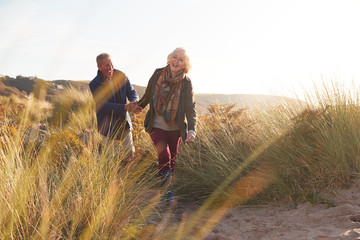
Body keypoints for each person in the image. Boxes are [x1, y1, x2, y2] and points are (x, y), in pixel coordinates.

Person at [138, 47, 196, 203]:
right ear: (170, 58)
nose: (176, 61)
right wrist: (138, 107)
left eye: (181, 60)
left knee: (172, 160)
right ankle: (167, 193)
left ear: (185, 65)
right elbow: (148, 95)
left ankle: (166, 186)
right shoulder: (158, 73)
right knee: (164, 154)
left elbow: (190, 108)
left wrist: (191, 129)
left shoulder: (186, 82)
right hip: (156, 123)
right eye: (175, 57)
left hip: (175, 127)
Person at [89, 53, 142, 160]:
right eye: (106, 65)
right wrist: (126, 107)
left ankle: (127, 175)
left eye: (111, 64)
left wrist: (134, 101)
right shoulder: (94, 84)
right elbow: (103, 105)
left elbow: (131, 91)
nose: (110, 68)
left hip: (123, 122)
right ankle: (111, 176)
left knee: (129, 154)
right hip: (106, 126)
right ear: (99, 67)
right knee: (109, 158)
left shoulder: (121, 76)